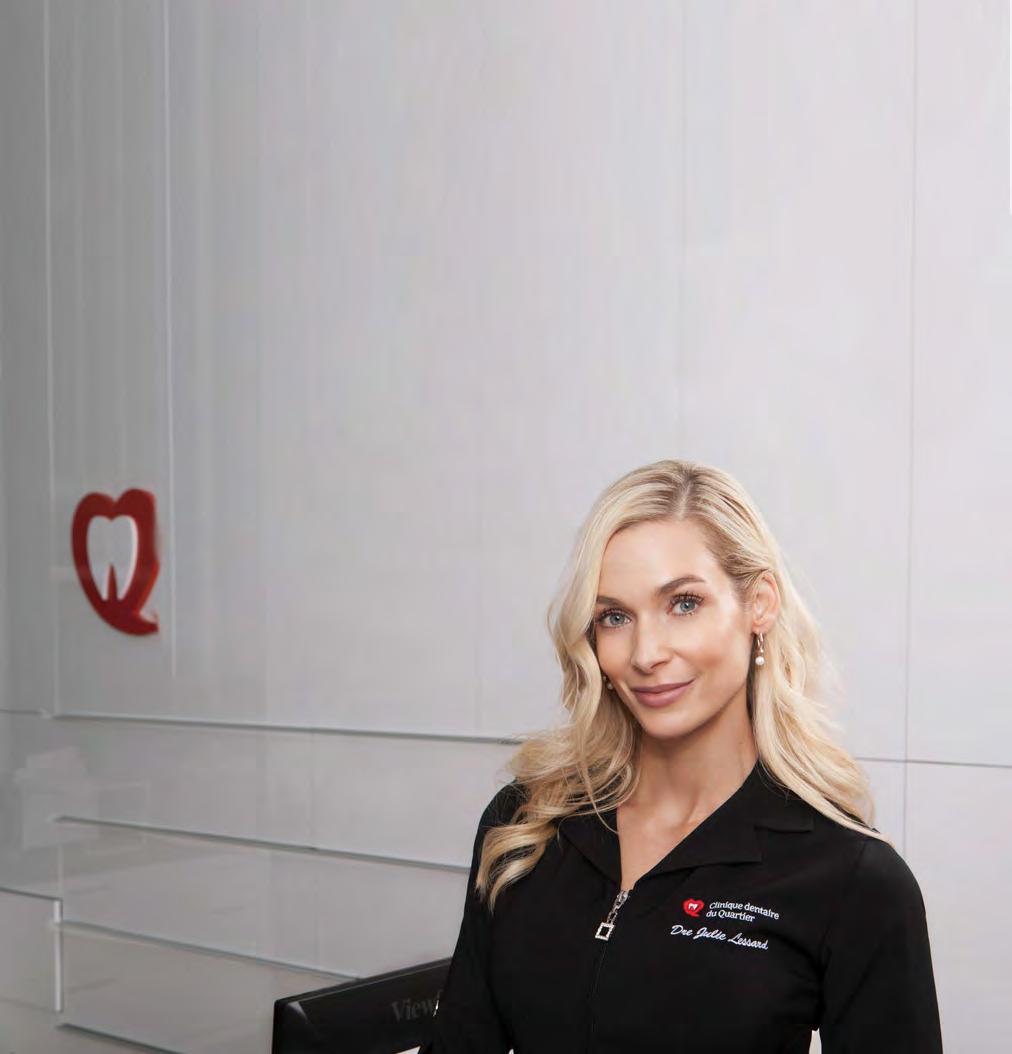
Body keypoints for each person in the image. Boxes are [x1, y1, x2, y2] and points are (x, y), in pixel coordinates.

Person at [419, 458, 943, 1053]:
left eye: (684, 603)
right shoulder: (526, 826)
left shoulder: (853, 878)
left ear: (759, 604)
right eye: (615, 617)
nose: (646, 653)